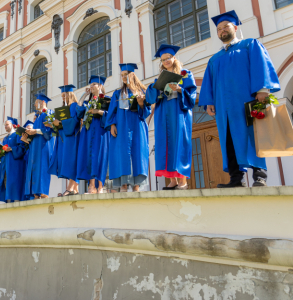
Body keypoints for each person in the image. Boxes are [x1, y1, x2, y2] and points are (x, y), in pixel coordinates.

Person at [199, 10, 281, 188]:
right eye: (219, 29)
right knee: (228, 139)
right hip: (224, 107)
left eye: (225, 26)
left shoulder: (249, 45)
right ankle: (236, 179)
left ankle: (259, 177)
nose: (222, 31)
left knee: (253, 136)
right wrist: (209, 102)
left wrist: (262, 90)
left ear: (235, 27)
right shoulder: (214, 59)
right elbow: (209, 83)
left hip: (247, 102)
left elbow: (261, 65)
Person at [146, 44, 197, 190]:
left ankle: (182, 181)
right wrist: (156, 88)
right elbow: (151, 97)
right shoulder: (159, 78)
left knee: (178, 142)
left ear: (174, 58)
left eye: (168, 58)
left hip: (178, 111)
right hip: (163, 113)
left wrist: (180, 89)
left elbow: (192, 94)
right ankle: (172, 180)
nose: (166, 61)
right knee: (165, 143)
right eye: (163, 60)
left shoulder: (185, 74)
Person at [105, 63, 150, 192]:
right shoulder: (118, 93)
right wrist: (112, 124)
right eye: (122, 75)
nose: (124, 77)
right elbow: (111, 111)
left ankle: (136, 186)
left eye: (126, 75)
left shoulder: (142, 92)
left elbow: (146, 113)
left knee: (137, 152)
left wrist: (141, 103)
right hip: (122, 127)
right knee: (122, 154)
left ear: (132, 75)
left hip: (137, 126)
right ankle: (123, 185)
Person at [76, 76, 111, 194]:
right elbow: (78, 111)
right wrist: (84, 96)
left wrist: (99, 112)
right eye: (90, 85)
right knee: (89, 156)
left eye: (94, 84)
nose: (91, 86)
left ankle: (100, 186)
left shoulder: (107, 99)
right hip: (88, 132)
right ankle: (91, 186)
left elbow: (111, 115)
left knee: (100, 156)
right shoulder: (87, 103)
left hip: (101, 131)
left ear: (100, 86)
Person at [47, 85, 80, 197]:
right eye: (62, 96)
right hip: (63, 138)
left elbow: (75, 121)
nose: (63, 97)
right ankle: (75, 189)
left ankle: (69, 188)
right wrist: (54, 124)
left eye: (64, 95)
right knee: (66, 161)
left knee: (71, 161)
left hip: (72, 138)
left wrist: (60, 123)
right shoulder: (63, 108)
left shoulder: (74, 105)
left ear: (70, 94)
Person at [23, 93, 55, 199]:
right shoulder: (38, 117)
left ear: (43, 102)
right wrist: (26, 137)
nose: (34, 104)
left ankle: (43, 192)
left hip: (44, 146)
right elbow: (34, 135)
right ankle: (36, 193)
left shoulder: (48, 113)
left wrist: (35, 131)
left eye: (36, 102)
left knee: (42, 167)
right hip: (35, 147)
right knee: (34, 169)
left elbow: (50, 131)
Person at [0, 117, 27, 202]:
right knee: (7, 182)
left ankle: (17, 200)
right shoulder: (5, 138)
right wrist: (1, 151)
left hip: (15, 164)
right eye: (5, 125)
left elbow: (22, 148)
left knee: (15, 181)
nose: (5, 126)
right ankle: (9, 201)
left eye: (7, 124)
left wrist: (11, 149)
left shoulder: (17, 135)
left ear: (12, 125)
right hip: (6, 164)